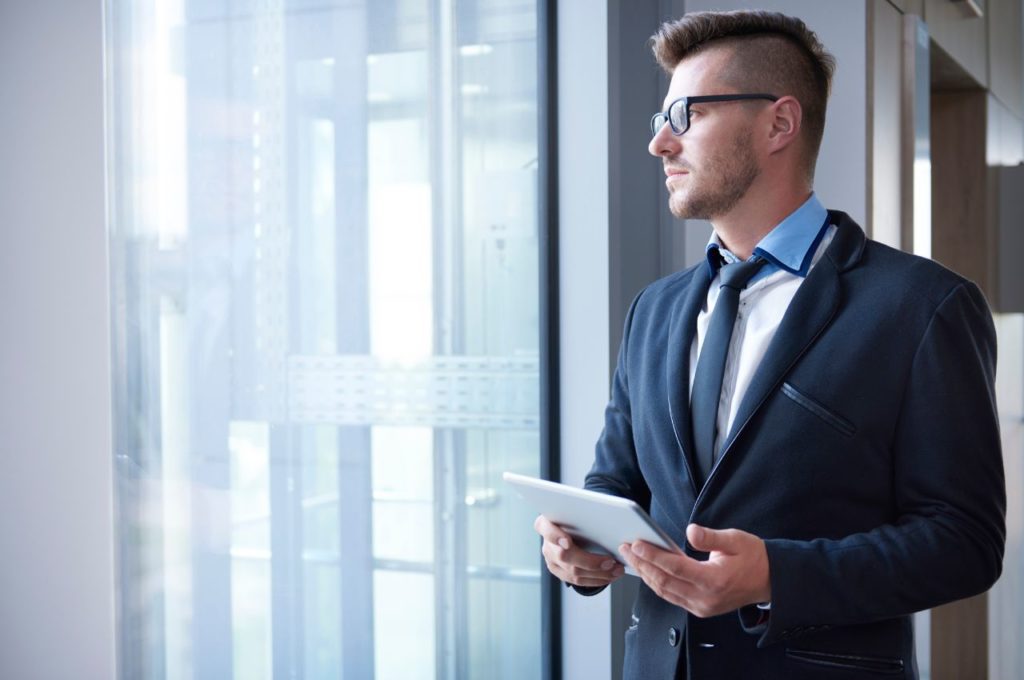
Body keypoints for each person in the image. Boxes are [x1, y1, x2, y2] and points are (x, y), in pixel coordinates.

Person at [534, 9, 1005, 679]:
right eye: (660, 119)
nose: (659, 144)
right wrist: (578, 546)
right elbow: (617, 481)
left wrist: (775, 575)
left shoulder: (922, 307)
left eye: (687, 115)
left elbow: (965, 542)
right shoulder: (654, 309)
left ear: (780, 123)